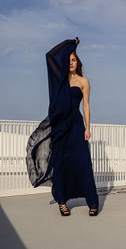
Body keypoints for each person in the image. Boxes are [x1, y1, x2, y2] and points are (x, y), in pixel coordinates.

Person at [26, 37, 99, 216]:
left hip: (75, 124)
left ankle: (92, 201)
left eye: (73, 59)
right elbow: (50, 56)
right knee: (60, 162)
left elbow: (86, 106)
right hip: (60, 125)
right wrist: (70, 44)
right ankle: (62, 201)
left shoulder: (84, 81)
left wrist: (88, 127)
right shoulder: (59, 81)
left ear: (78, 61)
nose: (70, 63)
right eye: (67, 60)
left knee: (82, 162)